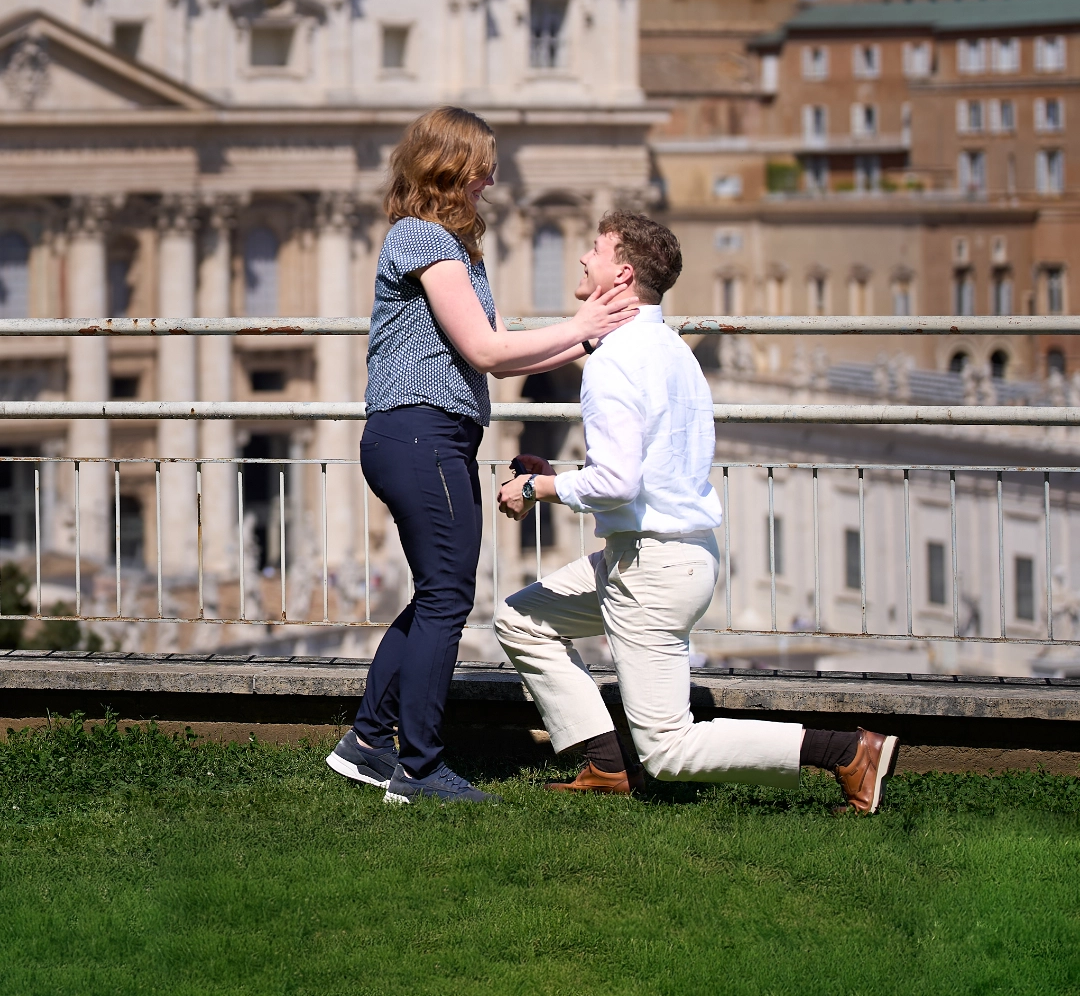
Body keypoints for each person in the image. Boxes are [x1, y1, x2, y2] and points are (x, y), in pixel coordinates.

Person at [494, 212, 899, 814]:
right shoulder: (675, 352)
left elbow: (615, 481)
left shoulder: (612, 361)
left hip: (651, 569)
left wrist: (535, 491)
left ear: (622, 275)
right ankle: (605, 762)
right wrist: (556, 477)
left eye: (596, 250)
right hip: (666, 555)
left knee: (668, 750)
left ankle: (846, 751)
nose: (583, 258)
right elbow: (642, 473)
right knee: (522, 622)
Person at [326, 108, 638, 805]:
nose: (491, 178)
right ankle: (420, 767)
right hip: (418, 433)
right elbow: (488, 351)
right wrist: (584, 321)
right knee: (447, 597)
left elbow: (498, 355)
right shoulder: (421, 238)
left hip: (434, 437)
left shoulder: (456, 250)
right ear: (448, 165)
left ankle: (369, 741)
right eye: (482, 164)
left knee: (438, 592)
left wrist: (591, 338)